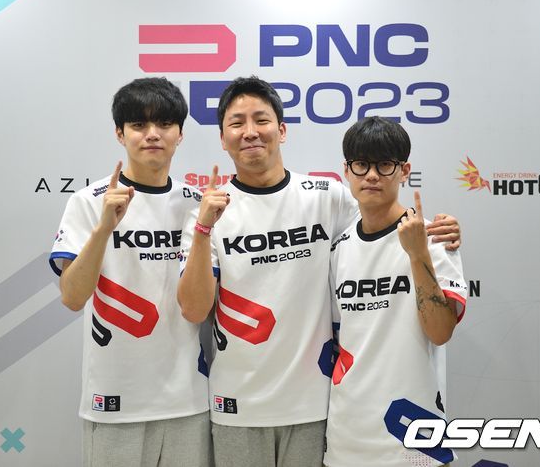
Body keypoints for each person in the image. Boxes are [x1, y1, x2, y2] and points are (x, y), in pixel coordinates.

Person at [177, 76, 461, 467]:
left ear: (282, 130)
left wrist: (435, 232)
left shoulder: (327, 197)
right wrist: (203, 228)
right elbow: (194, 309)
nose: (250, 131)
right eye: (237, 123)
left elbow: (380, 217)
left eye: (261, 119)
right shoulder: (208, 213)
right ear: (222, 138)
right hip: (238, 404)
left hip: (317, 407)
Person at [49, 77, 211, 467]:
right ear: (120, 134)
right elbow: (72, 297)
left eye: (164, 124)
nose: (152, 134)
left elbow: (201, 304)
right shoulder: (90, 202)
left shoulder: (197, 204)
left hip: (187, 399)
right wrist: (105, 228)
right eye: (139, 124)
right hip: (114, 400)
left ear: (180, 134)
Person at [324, 116, 467, 467]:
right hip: (347, 439)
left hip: (415, 441)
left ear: (404, 171)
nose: (372, 175)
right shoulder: (338, 248)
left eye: (384, 164)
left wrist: (417, 255)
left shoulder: (435, 239)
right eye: (361, 164)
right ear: (347, 171)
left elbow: (440, 332)